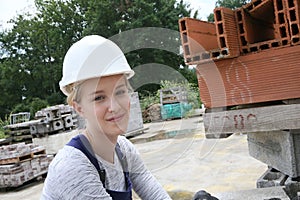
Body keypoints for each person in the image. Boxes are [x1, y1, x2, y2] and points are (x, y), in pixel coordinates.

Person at [41, 35, 171, 200]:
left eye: (120, 92)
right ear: (79, 108)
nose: (115, 107)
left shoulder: (124, 150)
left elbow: (154, 194)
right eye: (99, 98)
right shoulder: (73, 167)